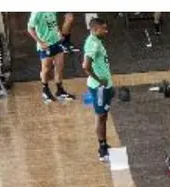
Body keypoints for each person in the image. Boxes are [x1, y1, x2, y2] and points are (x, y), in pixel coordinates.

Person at [80, 17, 112, 162]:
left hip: (104, 86)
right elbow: (85, 66)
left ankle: (104, 143)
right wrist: (99, 81)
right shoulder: (93, 44)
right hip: (99, 88)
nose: (106, 31)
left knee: (103, 115)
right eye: (103, 29)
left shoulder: (96, 41)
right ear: (95, 29)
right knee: (100, 116)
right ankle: (102, 148)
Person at [26, 12, 75, 103]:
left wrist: (59, 33)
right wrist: (41, 42)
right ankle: (45, 90)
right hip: (46, 45)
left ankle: (60, 91)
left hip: (56, 42)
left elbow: (53, 24)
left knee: (59, 67)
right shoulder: (37, 12)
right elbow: (30, 28)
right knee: (46, 69)